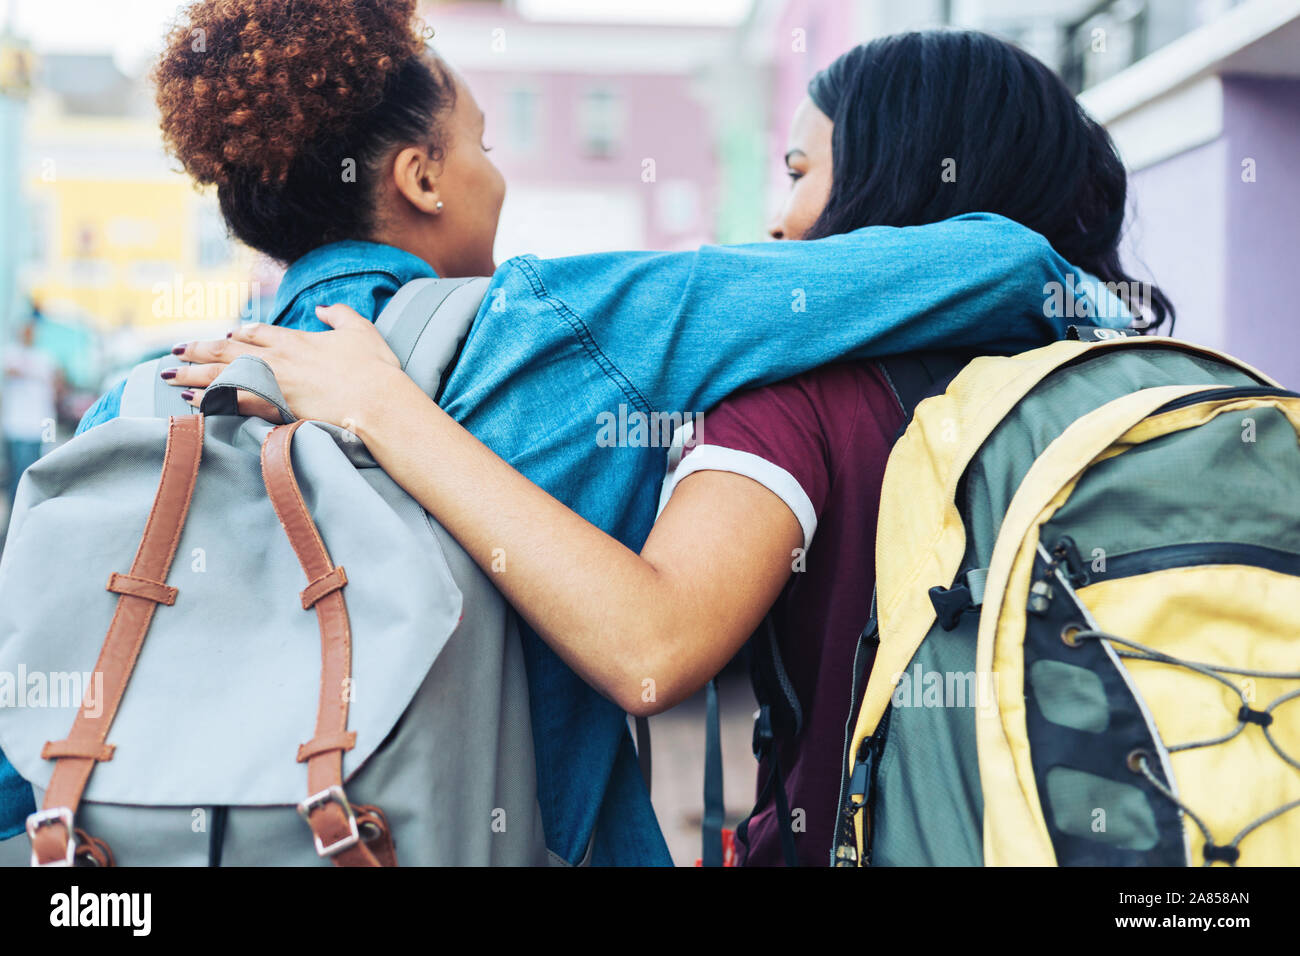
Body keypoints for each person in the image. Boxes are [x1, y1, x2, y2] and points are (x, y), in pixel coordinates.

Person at [2, 1, 1097, 863]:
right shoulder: (557, 322)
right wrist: (1091, 301)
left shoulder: (147, 394)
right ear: (422, 177)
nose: (499, 171)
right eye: (479, 143)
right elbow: (992, 258)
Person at [2, 319, 61, 518]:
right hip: (17, 426)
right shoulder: (11, 354)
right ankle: (14, 519)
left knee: (40, 470)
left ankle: (32, 516)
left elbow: (56, 385)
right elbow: (11, 371)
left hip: (43, 423)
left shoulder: (45, 357)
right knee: (18, 476)